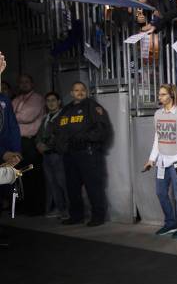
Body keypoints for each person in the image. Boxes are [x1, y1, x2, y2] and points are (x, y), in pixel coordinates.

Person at [142, 84, 177, 239]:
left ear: (171, 96)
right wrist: (151, 159)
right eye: (159, 94)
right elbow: (157, 139)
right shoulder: (157, 114)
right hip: (162, 161)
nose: (160, 97)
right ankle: (170, 224)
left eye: (163, 94)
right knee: (161, 192)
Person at [54, 82, 111, 227]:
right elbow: (58, 130)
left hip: (88, 153)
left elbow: (102, 129)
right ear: (71, 93)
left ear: (86, 92)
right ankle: (76, 216)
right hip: (70, 154)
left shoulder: (92, 107)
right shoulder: (66, 110)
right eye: (76, 90)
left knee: (93, 187)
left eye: (82, 90)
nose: (79, 92)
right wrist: (61, 145)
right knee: (72, 187)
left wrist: (84, 137)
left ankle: (98, 217)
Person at [12, 74, 45, 215]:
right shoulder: (16, 99)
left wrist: (12, 115)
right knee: (20, 176)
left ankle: (36, 208)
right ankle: (26, 206)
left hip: (30, 141)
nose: (24, 84)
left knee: (33, 175)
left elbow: (27, 117)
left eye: (27, 82)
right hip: (17, 142)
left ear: (32, 83)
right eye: (21, 82)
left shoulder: (38, 99)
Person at [35, 92, 68, 218]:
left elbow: (61, 135)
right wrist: (38, 144)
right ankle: (60, 209)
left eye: (53, 100)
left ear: (59, 101)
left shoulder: (63, 116)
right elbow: (38, 135)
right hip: (46, 156)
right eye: (48, 100)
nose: (51, 103)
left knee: (62, 183)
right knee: (52, 183)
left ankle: (69, 210)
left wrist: (47, 145)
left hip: (57, 155)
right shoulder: (46, 117)